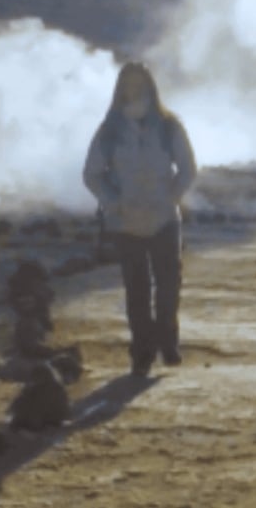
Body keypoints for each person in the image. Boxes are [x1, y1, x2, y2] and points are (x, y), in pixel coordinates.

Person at [82, 61, 198, 377]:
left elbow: (188, 168)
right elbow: (92, 174)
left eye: (139, 84)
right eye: (128, 85)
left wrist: (170, 197)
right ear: (120, 90)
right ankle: (142, 352)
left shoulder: (169, 125)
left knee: (168, 285)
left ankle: (167, 341)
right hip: (126, 222)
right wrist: (112, 202)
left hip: (163, 219)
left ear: (149, 87)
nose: (134, 90)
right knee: (137, 290)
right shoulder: (109, 131)